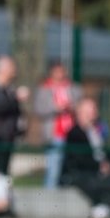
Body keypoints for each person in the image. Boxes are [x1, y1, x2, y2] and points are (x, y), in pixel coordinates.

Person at [62, 97, 110, 218]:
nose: (94, 113)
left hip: (99, 172)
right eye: (90, 110)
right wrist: (99, 166)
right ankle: (105, 208)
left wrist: (108, 164)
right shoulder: (75, 133)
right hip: (83, 174)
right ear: (80, 113)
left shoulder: (96, 132)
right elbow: (78, 159)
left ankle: (107, 207)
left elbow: (105, 153)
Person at [34, 62, 80, 190]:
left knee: (69, 166)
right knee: (54, 167)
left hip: (72, 133)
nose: (60, 74)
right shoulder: (45, 88)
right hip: (55, 133)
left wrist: (71, 107)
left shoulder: (73, 88)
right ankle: (49, 196)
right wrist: (55, 108)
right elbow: (39, 109)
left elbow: (81, 106)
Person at [0, 54, 29, 178]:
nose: (14, 70)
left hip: (8, 136)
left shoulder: (9, 88)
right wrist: (16, 97)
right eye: (11, 67)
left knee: (4, 170)